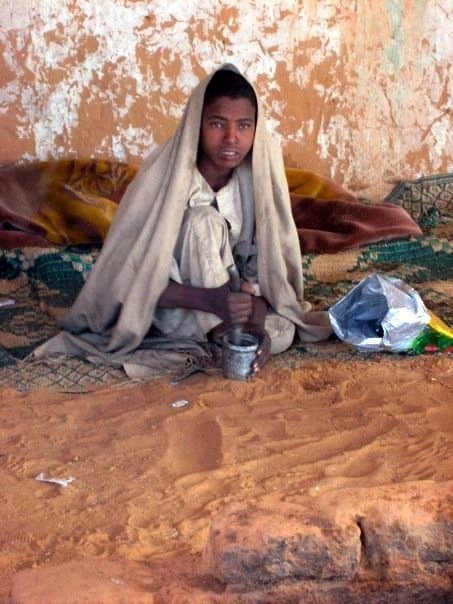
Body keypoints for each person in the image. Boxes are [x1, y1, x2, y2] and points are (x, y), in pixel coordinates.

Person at [35, 64, 331, 377]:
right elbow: (127, 278)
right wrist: (209, 300)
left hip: (232, 308)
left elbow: (265, 275)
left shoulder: (257, 180)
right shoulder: (164, 179)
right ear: (197, 125)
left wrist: (255, 326)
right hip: (174, 305)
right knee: (203, 222)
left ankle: (225, 336)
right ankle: (216, 333)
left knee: (281, 330)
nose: (231, 138)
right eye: (218, 124)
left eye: (244, 126)